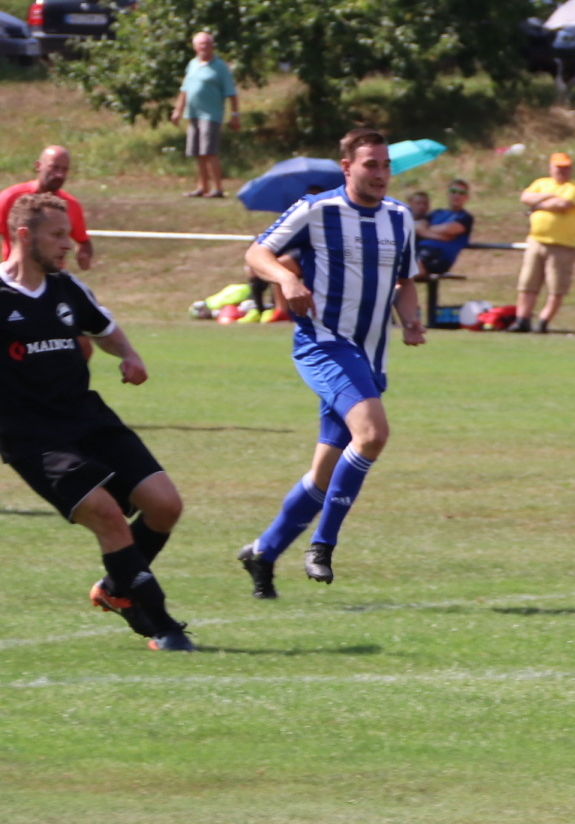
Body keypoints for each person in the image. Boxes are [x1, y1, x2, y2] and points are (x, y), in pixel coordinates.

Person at [237, 128, 425, 599]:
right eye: (370, 164)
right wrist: (286, 280)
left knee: (326, 471)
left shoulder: (400, 217)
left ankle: (263, 551)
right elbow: (257, 253)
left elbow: (405, 282)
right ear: (347, 167)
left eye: (385, 165)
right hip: (323, 343)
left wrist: (411, 319)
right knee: (373, 435)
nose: (380, 174)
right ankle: (322, 544)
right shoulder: (316, 210)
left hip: (370, 356)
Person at [0, 193, 193, 651]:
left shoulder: (67, 288)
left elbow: (103, 328)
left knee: (165, 506)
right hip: (32, 438)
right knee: (107, 515)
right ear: (24, 236)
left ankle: (115, 586)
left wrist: (129, 355)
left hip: (88, 418)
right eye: (57, 235)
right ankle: (162, 625)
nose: (68, 244)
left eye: (68, 234)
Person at [512, 153, 575, 334]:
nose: (563, 171)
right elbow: (525, 197)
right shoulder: (541, 183)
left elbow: (563, 204)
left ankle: (543, 322)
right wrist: (548, 196)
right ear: (551, 168)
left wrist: (537, 205)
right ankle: (522, 320)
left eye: (566, 168)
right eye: (559, 168)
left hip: (562, 245)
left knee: (556, 287)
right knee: (527, 284)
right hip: (536, 241)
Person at [0, 145, 94, 271]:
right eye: (54, 167)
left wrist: (84, 254)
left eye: (64, 169)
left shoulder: (71, 205)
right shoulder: (9, 198)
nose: (59, 174)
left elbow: (84, 241)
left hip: (53, 277)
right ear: (38, 166)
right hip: (16, 275)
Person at [169, 31, 240, 198]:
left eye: (208, 44)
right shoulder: (192, 64)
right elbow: (185, 89)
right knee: (198, 153)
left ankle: (218, 188)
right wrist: (178, 110)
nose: (204, 47)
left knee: (209, 151)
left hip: (210, 115)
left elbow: (231, 93)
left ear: (213, 46)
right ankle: (202, 187)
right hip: (193, 114)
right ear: (195, 47)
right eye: (201, 44)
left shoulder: (220, 67)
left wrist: (235, 115)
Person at [415, 179, 475, 275]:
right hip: (419, 249)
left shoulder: (465, 217)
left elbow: (448, 229)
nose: (457, 195)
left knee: (413, 265)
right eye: (453, 191)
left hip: (439, 257)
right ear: (448, 194)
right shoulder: (436, 213)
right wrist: (442, 236)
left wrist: (426, 230)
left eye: (461, 193)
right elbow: (418, 227)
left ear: (466, 197)